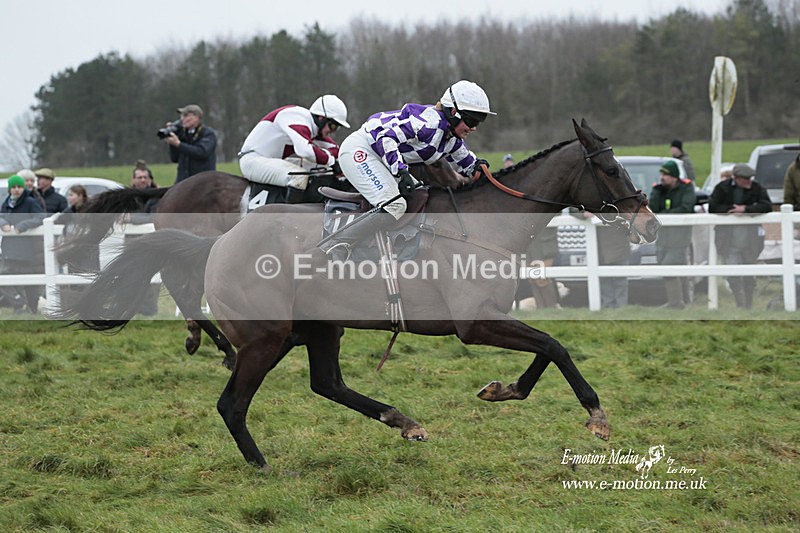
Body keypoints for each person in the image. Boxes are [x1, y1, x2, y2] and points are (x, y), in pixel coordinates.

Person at [320, 80, 494, 259]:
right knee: (395, 205)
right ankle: (337, 243)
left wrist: (479, 168)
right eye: (471, 120)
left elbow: (466, 161)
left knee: (419, 195)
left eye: (478, 123)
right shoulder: (428, 124)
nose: (473, 128)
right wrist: (401, 171)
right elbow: (385, 138)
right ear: (454, 112)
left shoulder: (449, 136)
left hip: (382, 157)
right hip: (361, 150)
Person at [238, 95, 349, 202]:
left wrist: (342, 164)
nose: (333, 132)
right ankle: (288, 218)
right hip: (252, 161)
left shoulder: (312, 127)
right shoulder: (296, 117)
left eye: (337, 128)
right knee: (298, 177)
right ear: (321, 118)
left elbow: (335, 150)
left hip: (268, 159)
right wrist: (332, 162)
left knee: (324, 169)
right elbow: (304, 150)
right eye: (333, 126)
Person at [709, 163, 772, 309]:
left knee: (749, 274)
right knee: (733, 274)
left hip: (750, 241)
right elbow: (713, 206)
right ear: (736, 178)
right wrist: (731, 210)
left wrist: (746, 209)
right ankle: (740, 303)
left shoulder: (757, 188)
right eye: (745, 179)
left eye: (750, 178)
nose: (749, 181)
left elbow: (767, 205)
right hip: (728, 240)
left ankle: (748, 304)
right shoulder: (722, 188)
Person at [649, 160, 695, 308]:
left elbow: (686, 208)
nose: (662, 177)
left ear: (674, 177)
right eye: (661, 174)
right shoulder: (659, 189)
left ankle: (676, 303)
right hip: (662, 237)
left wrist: (664, 215)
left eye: (666, 175)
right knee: (666, 267)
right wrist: (657, 191)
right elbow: (652, 209)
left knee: (670, 266)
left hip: (679, 237)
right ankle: (680, 301)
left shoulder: (686, 188)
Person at [0, 175, 46, 313]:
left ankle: (27, 309)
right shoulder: (6, 202)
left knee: (28, 284)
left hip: (26, 250)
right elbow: (0, 216)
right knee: (3, 278)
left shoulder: (30, 202)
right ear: (10, 189)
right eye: (13, 187)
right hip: (9, 250)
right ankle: (19, 303)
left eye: (19, 187)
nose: (16, 190)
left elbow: (40, 217)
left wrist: (24, 225)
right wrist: (3, 224)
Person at [125, 161, 161, 315]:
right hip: (131, 242)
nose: (142, 180)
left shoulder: (156, 197)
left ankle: (149, 309)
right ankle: (134, 307)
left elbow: (153, 217)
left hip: (150, 242)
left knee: (150, 276)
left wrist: (131, 219)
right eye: (139, 177)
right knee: (130, 275)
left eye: (145, 177)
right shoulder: (127, 197)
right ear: (133, 180)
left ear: (150, 179)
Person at [164, 104, 217, 183]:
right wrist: (172, 142)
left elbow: (202, 152)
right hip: (183, 182)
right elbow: (174, 158)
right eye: (181, 116)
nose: (182, 119)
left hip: (203, 182)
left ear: (196, 117)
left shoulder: (208, 133)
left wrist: (179, 144)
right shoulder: (183, 134)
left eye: (185, 116)